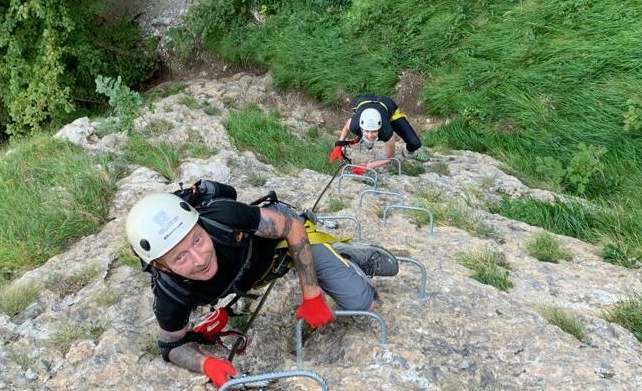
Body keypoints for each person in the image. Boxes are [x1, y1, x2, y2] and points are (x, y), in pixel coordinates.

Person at [125, 183, 399, 388]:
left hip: (280, 243)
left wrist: (312, 294)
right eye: (180, 257)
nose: (200, 259)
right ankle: (332, 259)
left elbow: (292, 228)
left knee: (363, 304)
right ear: (161, 265)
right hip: (253, 272)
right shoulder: (170, 294)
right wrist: (206, 364)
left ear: (200, 224)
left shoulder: (223, 218)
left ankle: (342, 255)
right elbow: (171, 345)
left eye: (197, 240)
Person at [330, 95, 429, 174]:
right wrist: (339, 145)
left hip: (387, 105)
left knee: (415, 143)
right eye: (367, 131)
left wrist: (367, 166)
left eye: (374, 131)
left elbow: (389, 158)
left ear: (379, 128)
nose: (370, 135)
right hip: (364, 101)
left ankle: (409, 153)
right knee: (367, 135)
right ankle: (365, 139)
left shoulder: (386, 132)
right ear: (361, 128)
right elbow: (346, 127)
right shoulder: (354, 124)